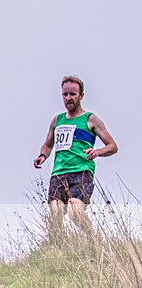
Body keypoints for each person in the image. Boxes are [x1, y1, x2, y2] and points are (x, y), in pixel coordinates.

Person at [33, 76, 118, 240]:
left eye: (72, 94)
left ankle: (94, 240)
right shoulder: (57, 121)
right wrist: (42, 156)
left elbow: (112, 146)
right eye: (65, 94)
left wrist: (97, 152)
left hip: (81, 171)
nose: (68, 98)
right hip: (58, 173)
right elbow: (48, 145)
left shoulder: (90, 119)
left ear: (81, 96)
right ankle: (55, 250)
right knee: (55, 216)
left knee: (75, 212)